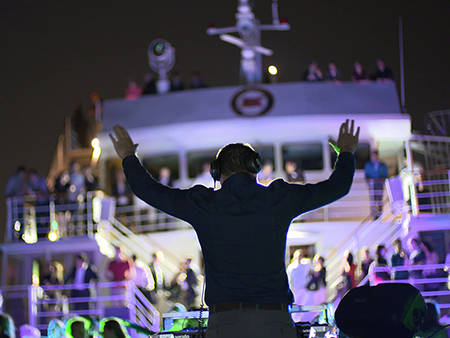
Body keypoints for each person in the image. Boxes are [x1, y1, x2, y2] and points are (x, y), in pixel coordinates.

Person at [109, 119, 359, 338]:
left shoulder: (203, 204)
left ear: (217, 173)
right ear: (256, 168)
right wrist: (346, 152)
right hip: (274, 322)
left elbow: (150, 191)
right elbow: (337, 187)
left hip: (226, 324)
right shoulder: (279, 198)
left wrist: (128, 157)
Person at [286, 250, 311, 322]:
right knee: (296, 304)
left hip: (304, 288)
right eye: (298, 255)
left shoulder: (305, 265)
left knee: (304, 304)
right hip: (296, 289)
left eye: (301, 255)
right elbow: (289, 278)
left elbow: (309, 273)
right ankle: (296, 319)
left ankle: (304, 319)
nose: (300, 257)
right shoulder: (291, 267)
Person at [364, 151, 388, 219]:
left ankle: (380, 215)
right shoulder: (368, 165)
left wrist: (380, 179)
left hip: (379, 184)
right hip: (372, 185)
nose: (374, 157)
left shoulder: (382, 165)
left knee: (379, 200)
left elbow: (385, 175)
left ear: (377, 156)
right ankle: (374, 215)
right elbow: (366, 176)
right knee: (372, 200)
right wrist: (370, 181)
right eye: (373, 156)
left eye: (375, 156)